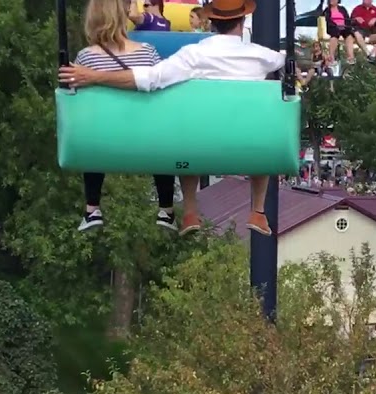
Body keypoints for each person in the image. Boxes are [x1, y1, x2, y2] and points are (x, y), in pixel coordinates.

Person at [59, 0, 283, 236]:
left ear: (211, 21)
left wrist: (94, 76)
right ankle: (257, 210)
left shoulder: (193, 54)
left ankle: (189, 211)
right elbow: (282, 61)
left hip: (200, 144)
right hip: (248, 145)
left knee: (188, 135)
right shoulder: (263, 57)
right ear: (243, 20)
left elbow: (153, 78)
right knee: (262, 134)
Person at [71, 0, 177, 232]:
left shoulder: (85, 60)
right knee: (162, 133)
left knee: (93, 129)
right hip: (146, 141)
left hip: (105, 143)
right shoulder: (148, 52)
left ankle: (92, 208)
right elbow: (163, 89)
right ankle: (166, 209)